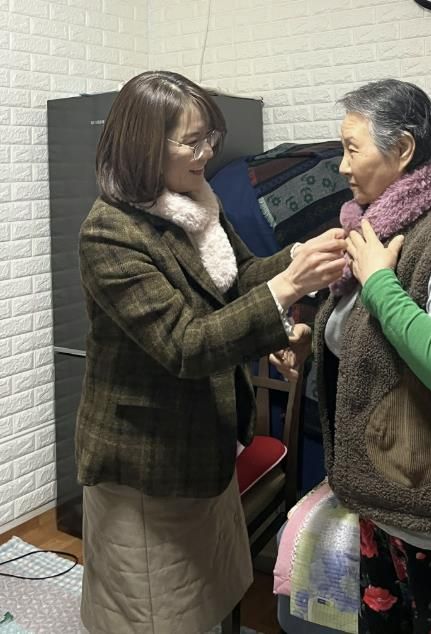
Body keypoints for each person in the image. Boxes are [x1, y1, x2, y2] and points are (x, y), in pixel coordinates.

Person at [75, 70, 346, 634]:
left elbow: (241, 278)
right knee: (148, 610)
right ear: (145, 145)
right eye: (192, 141)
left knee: (207, 592)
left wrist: (297, 257)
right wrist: (288, 287)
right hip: (145, 458)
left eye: (210, 138)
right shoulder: (110, 233)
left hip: (206, 440)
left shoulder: (198, 203)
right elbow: (184, 344)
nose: (207, 153)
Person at [272, 79, 431, 633]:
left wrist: (381, 284)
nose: (342, 167)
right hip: (388, 497)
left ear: (404, 149)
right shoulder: (374, 229)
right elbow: (375, 343)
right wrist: (311, 343)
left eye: (352, 148)